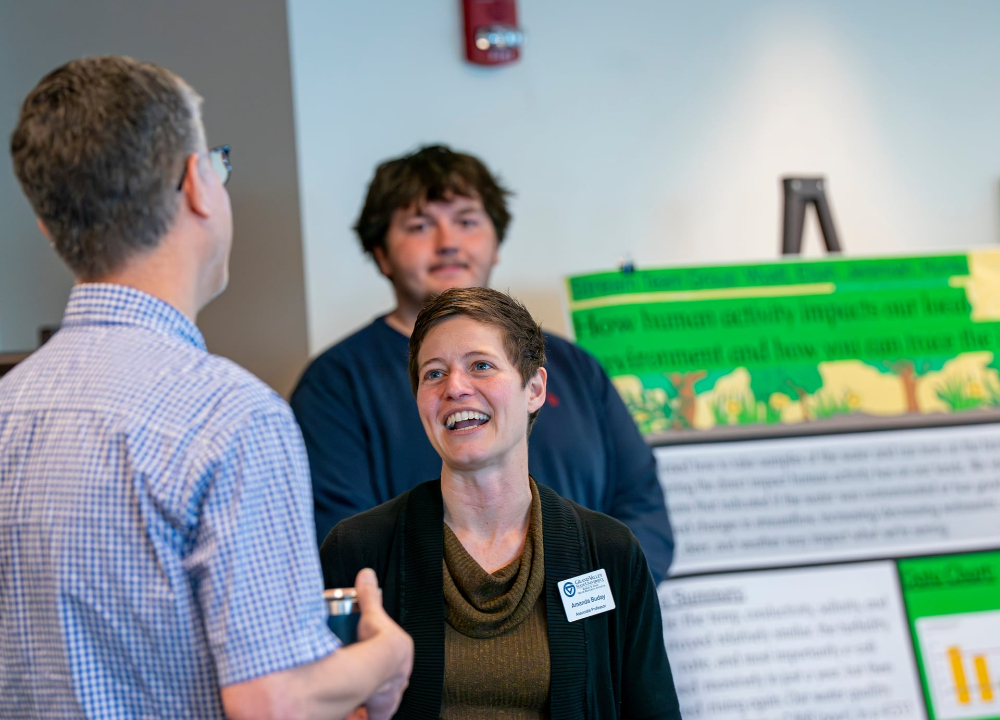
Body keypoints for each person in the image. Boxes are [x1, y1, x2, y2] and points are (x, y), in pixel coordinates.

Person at [0, 56, 411, 719]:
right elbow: (274, 703)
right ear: (197, 184)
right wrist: (386, 658)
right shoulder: (233, 417)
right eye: (216, 163)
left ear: (50, 226)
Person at [292, 145, 674, 582]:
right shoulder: (335, 384)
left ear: (496, 244)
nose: (447, 242)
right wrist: (490, 615)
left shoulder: (575, 366)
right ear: (381, 255)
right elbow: (345, 547)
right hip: (427, 639)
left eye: (467, 221)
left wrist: (577, 601)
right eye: (420, 225)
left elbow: (643, 511)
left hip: (591, 630)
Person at [321, 287, 681, 719]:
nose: (455, 387)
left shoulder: (609, 552)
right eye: (433, 374)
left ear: (534, 389)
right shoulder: (360, 550)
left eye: (481, 366)